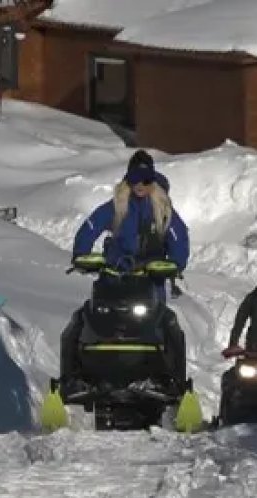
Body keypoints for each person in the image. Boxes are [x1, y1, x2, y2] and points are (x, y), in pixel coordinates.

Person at [59, 149, 191, 393]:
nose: (140, 185)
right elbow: (90, 227)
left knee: (170, 324)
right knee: (79, 320)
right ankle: (71, 379)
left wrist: (174, 263)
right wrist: (81, 254)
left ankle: (174, 383)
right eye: (134, 179)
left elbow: (179, 239)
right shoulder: (116, 205)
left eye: (145, 180)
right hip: (114, 279)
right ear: (127, 180)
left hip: (149, 281)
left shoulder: (162, 208)